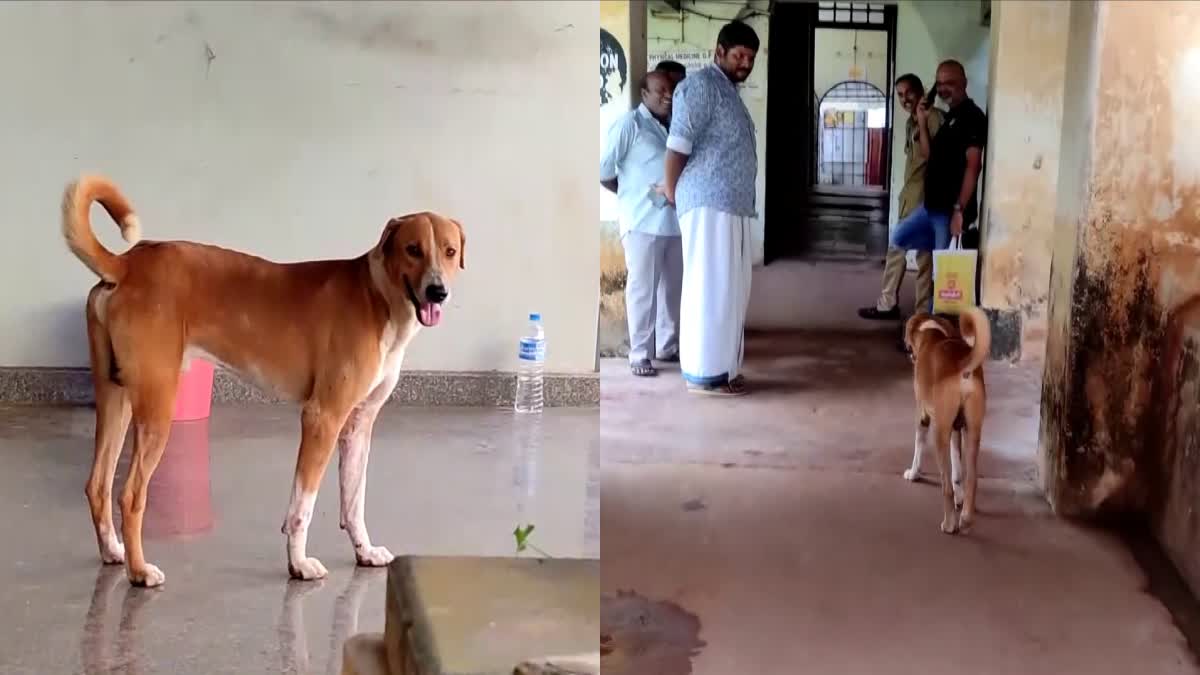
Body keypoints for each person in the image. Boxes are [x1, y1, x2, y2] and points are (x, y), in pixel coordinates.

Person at [661, 20, 759, 397]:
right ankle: (704, 375)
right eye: (739, 55)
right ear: (719, 51)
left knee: (731, 289)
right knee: (710, 287)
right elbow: (678, 146)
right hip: (708, 202)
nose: (745, 63)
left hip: (729, 204)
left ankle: (724, 370)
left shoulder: (727, 91)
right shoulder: (700, 87)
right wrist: (673, 192)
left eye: (750, 57)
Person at [600, 70, 683, 377]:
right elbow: (604, 169)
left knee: (671, 290)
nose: (667, 95)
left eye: (671, 90)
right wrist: (629, 194)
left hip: (674, 222)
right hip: (641, 221)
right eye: (660, 90)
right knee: (643, 291)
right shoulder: (629, 125)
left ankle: (668, 347)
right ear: (643, 93)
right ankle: (640, 355)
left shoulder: (676, 124)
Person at [889, 59, 986, 287]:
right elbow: (929, 156)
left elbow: (974, 166)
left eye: (950, 83)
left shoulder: (972, 117)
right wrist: (921, 122)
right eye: (939, 83)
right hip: (929, 207)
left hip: (948, 211)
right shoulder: (950, 117)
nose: (943, 88)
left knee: (942, 276)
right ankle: (931, 312)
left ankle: (936, 319)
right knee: (899, 238)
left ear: (964, 82)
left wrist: (959, 210)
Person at [858, 73, 944, 322]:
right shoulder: (910, 122)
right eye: (900, 95)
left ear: (920, 91)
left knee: (916, 254)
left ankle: (911, 314)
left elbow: (934, 159)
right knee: (908, 251)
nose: (905, 99)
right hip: (911, 194)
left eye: (909, 92)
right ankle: (899, 307)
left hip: (925, 197)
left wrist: (924, 121)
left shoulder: (934, 118)